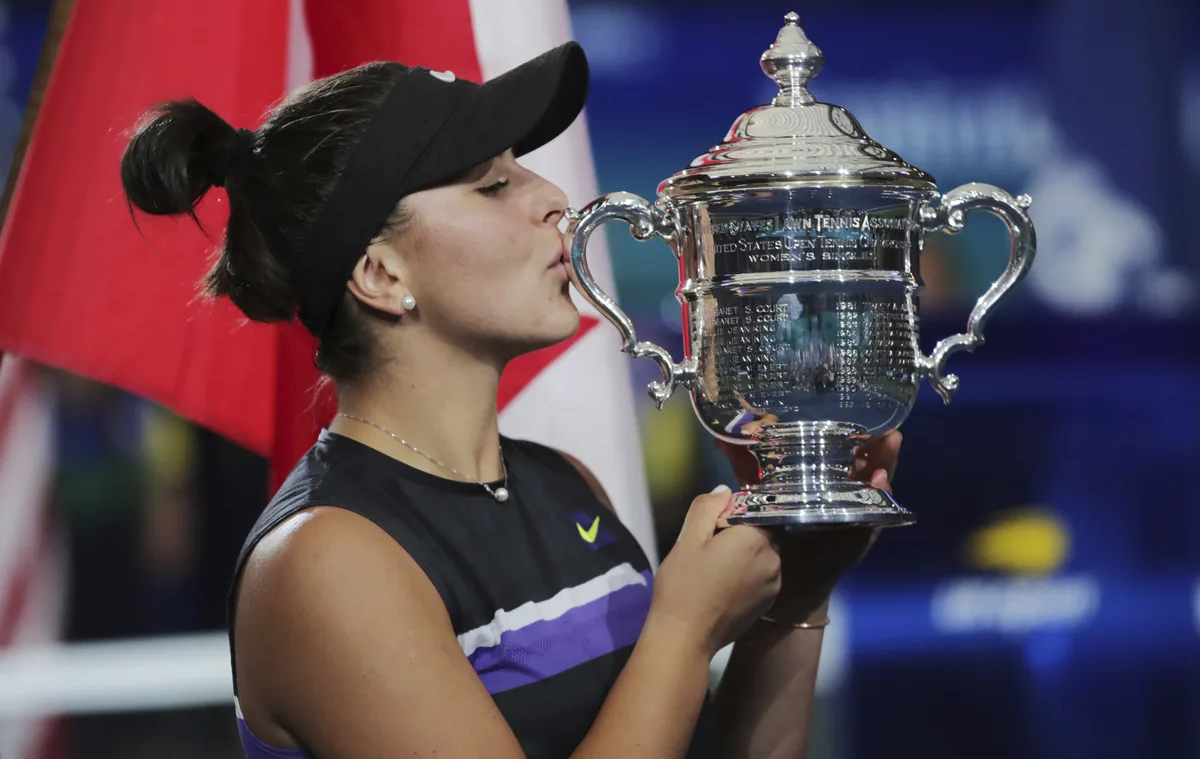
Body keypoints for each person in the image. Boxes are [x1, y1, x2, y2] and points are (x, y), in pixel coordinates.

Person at [119, 41, 901, 759]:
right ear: (381, 274)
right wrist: (682, 630)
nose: (554, 197)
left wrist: (796, 597)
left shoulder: (565, 482)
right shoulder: (325, 562)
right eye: (493, 183)